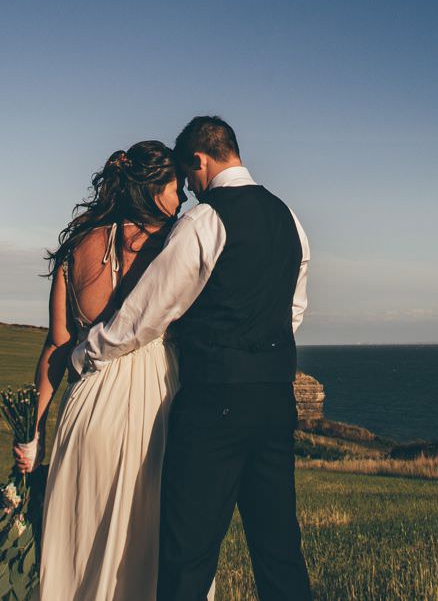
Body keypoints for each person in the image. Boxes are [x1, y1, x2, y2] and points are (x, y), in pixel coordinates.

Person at [72, 116, 312, 601]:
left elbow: (150, 310)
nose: (188, 190)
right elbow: (294, 309)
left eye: (188, 176)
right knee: (279, 548)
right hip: (274, 399)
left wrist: (89, 350)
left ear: (199, 160)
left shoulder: (206, 220)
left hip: (213, 402)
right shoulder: (291, 218)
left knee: (188, 553)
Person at [18, 141, 188, 601]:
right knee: (149, 550)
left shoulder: (77, 244)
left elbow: (57, 344)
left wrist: (30, 436)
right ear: (155, 190)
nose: (184, 198)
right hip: (156, 407)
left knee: (80, 548)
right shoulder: (173, 244)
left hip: (89, 407)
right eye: (178, 188)